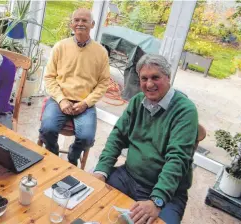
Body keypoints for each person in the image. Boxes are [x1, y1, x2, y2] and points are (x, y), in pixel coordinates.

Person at [93, 54, 198, 224]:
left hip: (167, 193)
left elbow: (178, 160)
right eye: (144, 78)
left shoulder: (185, 111)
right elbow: (117, 137)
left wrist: (157, 200)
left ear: (168, 77)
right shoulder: (137, 102)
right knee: (92, 203)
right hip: (128, 177)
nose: (149, 84)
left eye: (155, 77)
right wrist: (101, 170)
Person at [39, 8, 110, 166]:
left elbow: (103, 83)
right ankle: (53, 153)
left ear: (92, 24)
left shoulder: (101, 52)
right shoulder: (60, 47)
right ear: (71, 24)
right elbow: (49, 77)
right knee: (47, 130)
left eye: (84, 20)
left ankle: (73, 156)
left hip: (85, 103)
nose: (80, 24)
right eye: (76, 20)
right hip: (59, 100)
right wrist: (61, 100)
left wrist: (86, 103)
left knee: (86, 138)